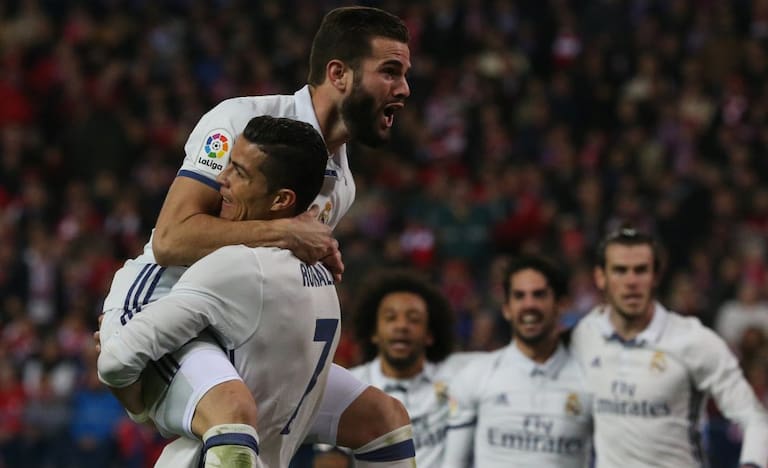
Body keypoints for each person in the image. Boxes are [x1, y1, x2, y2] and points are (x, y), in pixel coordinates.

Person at [99, 5, 414, 467]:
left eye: (404, 74)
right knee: (233, 412)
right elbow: (170, 240)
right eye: (390, 71)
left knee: (384, 420)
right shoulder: (241, 120)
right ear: (339, 74)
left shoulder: (342, 183)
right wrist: (285, 232)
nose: (404, 88)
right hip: (162, 310)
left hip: (241, 330)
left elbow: (268, 267)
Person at [100, 115, 367, 467]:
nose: (220, 179)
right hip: (266, 447)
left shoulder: (239, 264)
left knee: (233, 412)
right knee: (383, 417)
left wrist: (142, 409)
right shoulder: (319, 274)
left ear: (282, 200)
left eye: (239, 172)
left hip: (214, 437)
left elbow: (115, 360)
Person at [571, 226, 768, 468]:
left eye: (641, 270)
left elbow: (754, 418)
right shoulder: (585, 334)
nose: (631, 281)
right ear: (600, 278)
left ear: (656, 277)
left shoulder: (694, 340)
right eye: (620, 271)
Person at [444, 255, 593, 467]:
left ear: (561, 305)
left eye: (539, 295)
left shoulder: (589, 379)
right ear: (506, 308)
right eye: (519, 296)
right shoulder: (475, 375)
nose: (529, 304)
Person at [348, 269, 478, 468]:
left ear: (430, 335)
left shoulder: (458, 374)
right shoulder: (351, 388)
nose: (402, 326)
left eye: (414, 319)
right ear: (373, 332)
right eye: (390, 318)